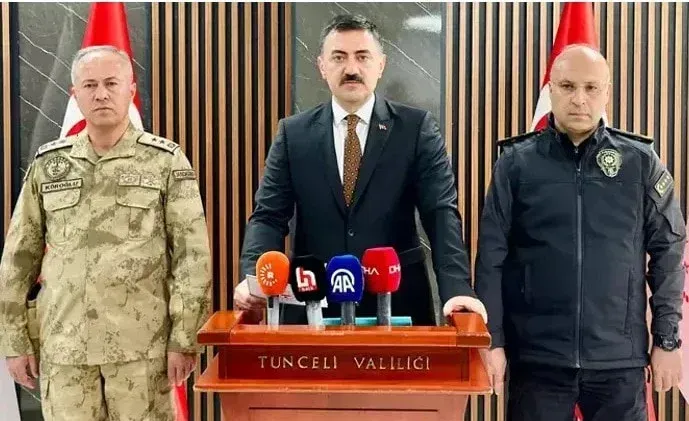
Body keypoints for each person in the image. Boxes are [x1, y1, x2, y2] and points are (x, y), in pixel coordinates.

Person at [475, 44, 686, 421]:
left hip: (619, 362)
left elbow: (669, 251)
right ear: (550, 89)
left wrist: (667, 339)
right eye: (568, 86)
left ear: (607, 92)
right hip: (538, 361)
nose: (579, 99)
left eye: (591, 88)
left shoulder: (639, 162)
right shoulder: (516, 164)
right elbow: (491, 257)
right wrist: (493, 340)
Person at [0, 45, 212, 420]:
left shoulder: (164, 161)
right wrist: (15, 341)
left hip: (141, 353)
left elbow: (192, 257)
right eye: (90, 85)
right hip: (66, 350)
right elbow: (18, 259)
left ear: (131, 89)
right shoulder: (50, 165)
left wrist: (184, 339)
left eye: (111, 83)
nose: (101, 94)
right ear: (75, 94)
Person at [234, 14, 485, 326]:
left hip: (398, 303)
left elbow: (441, 214)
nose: (351, 68)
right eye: (339, 57)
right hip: (312, 303)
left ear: (381, 65)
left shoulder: (415, 129)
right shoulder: (293, 134)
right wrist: (254, 278)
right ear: (322, 66)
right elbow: (268, 216)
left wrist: (457, 289)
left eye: (362, 57)